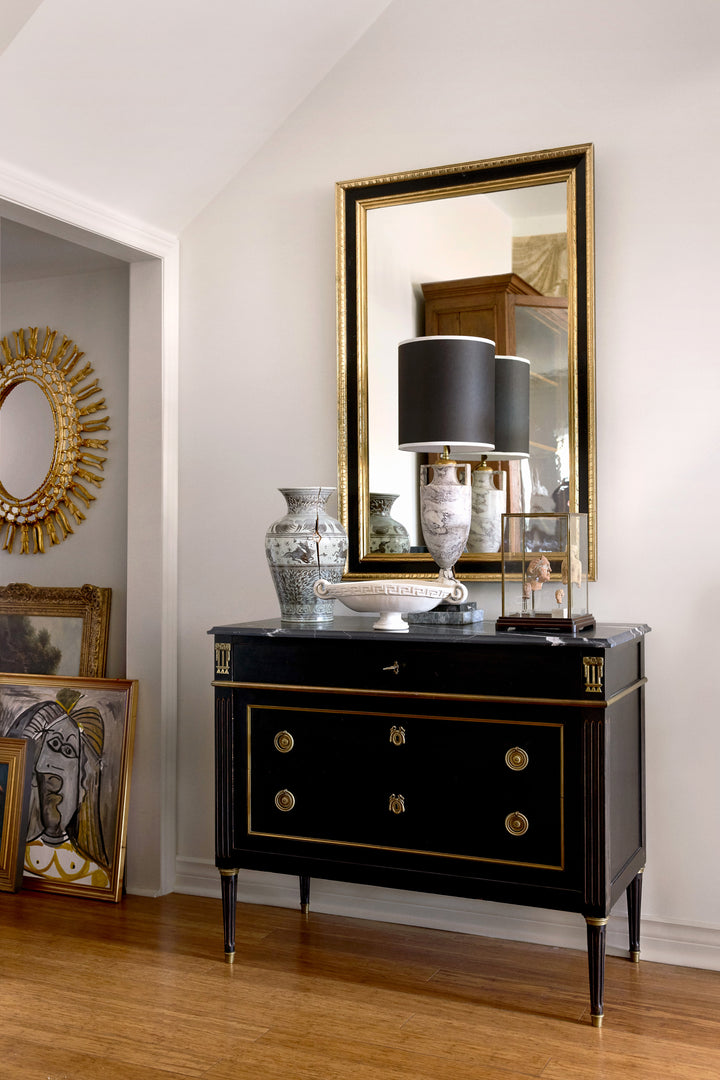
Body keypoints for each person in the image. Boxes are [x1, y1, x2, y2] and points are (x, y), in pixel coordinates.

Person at [4, 687, 110, 888]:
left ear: (83, 785)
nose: (55, 766)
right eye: (53, 744)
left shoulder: (97, 878)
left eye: (68, 750)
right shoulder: (7, 861)